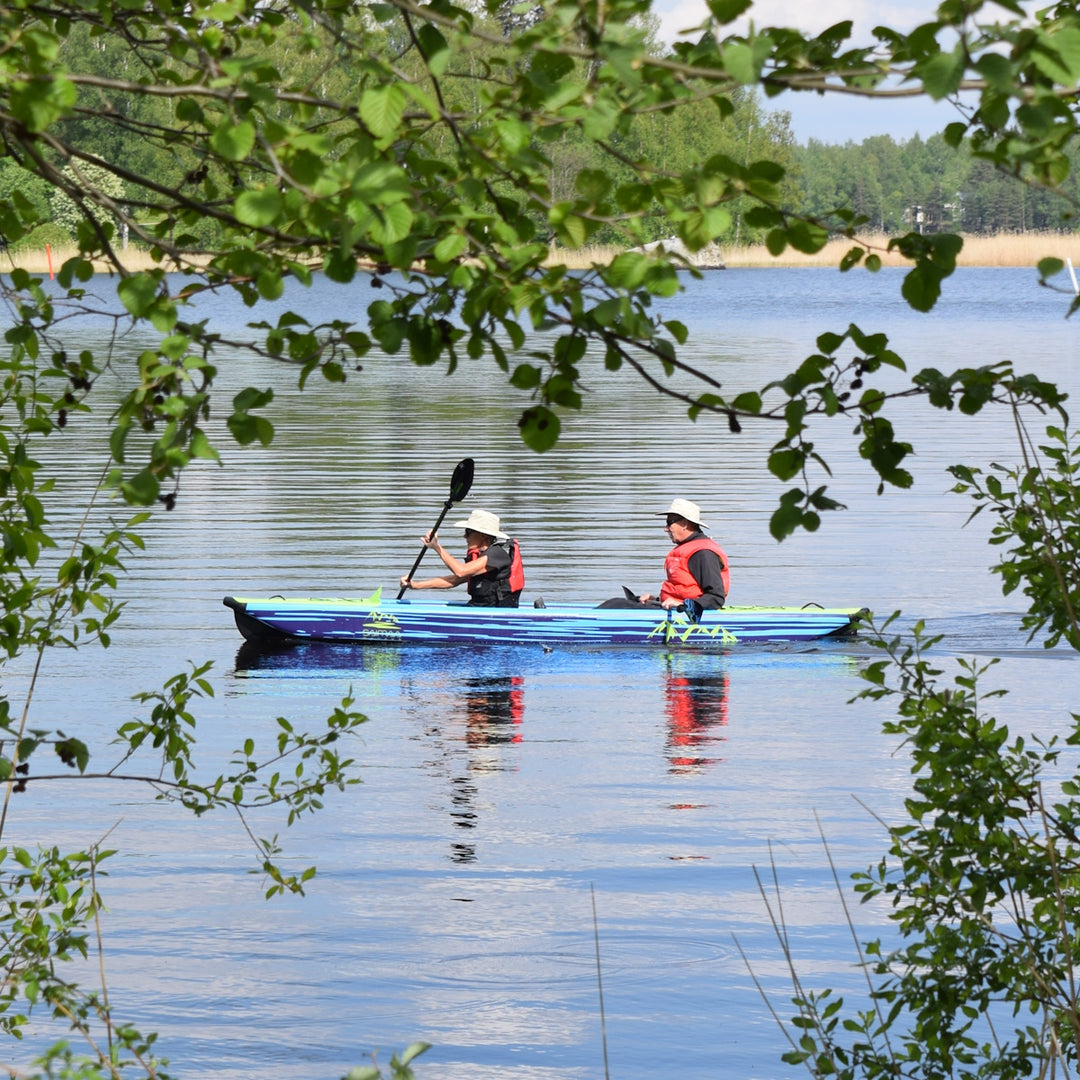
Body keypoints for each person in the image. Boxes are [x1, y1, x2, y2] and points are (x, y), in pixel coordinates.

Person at [598, 498, 728, 610]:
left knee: (617, 604)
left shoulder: (703, 553)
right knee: (617, 603)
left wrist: (683, 605)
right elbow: (685, 589)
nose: (665, 528)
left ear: (684, 524)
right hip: (674, 608)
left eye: (669, 523)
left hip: (688, 612)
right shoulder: (688, 548)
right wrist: (659, 599)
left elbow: (716, 598)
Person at [399, 508, 524, 607]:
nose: (465, 536)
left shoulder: (497, 554)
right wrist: (415, 585)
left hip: (495, 612)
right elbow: (453, 580)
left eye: (468, 532)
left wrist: (437, 547)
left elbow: (460, 571)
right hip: (479, 608)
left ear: (483, 536)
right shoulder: (480, 557)